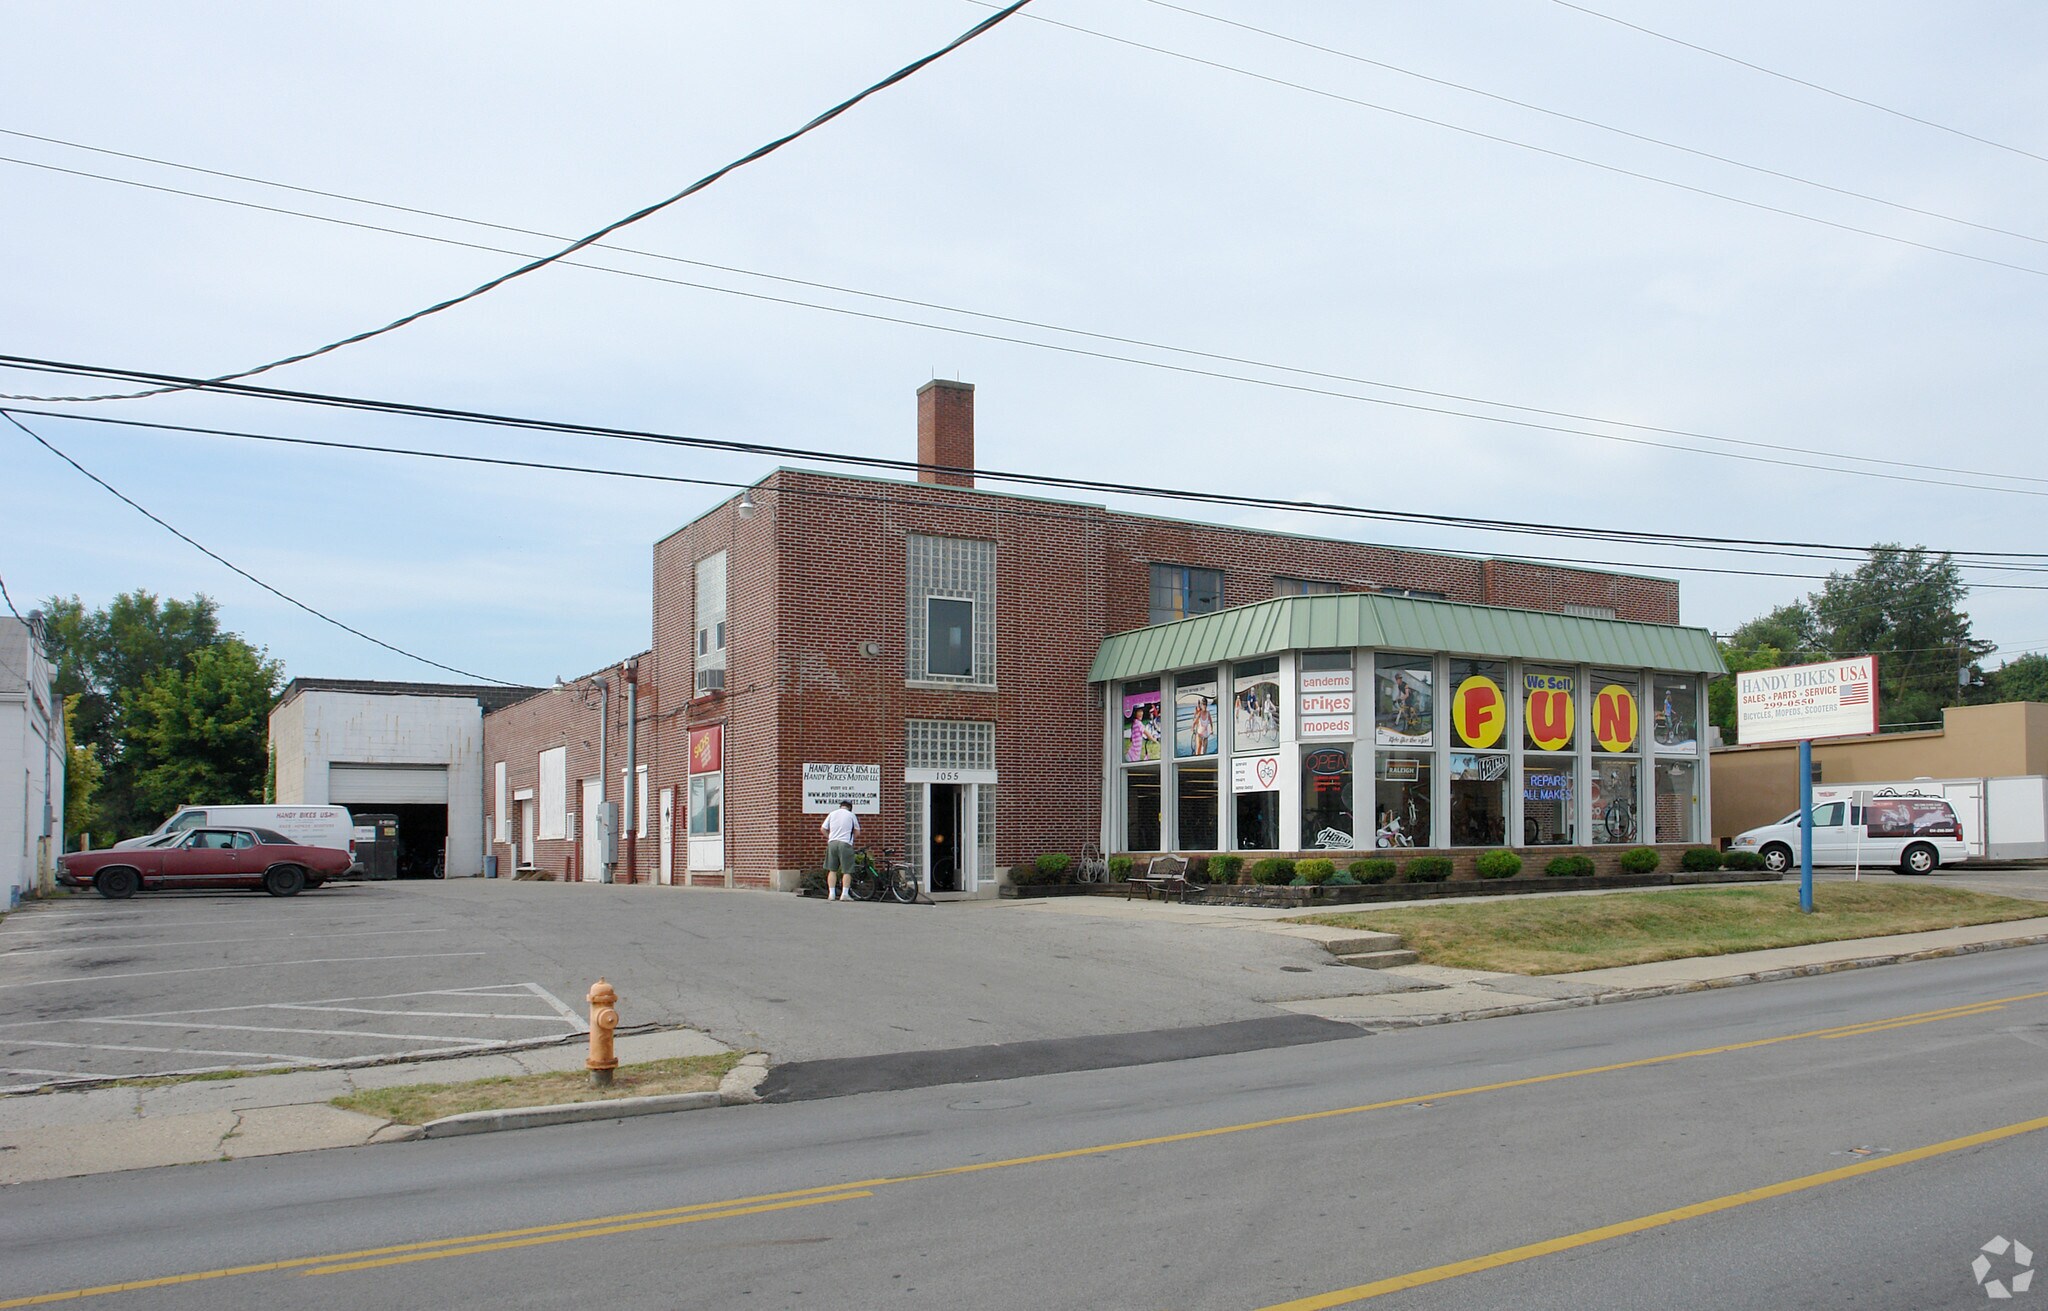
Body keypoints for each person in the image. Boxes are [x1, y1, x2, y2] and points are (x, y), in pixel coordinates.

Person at [820, 801, 860, 901]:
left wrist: (830, 837)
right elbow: (857, 831)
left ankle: (831, 894)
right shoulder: (851, 815)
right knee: (847, 870)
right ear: (850, 807)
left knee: (832, 870)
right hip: (845, 843)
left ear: (840, 806)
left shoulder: (832, 814)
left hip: (832, 843)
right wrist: (851, 840)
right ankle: (844, 894)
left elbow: (823, 829)